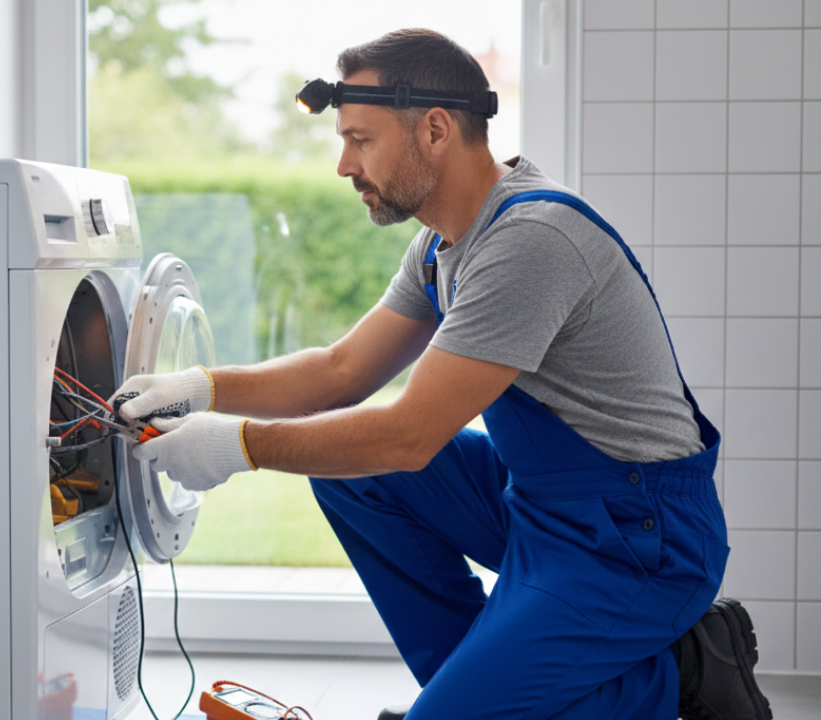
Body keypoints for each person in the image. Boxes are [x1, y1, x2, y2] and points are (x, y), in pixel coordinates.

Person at [111, 29, 772, 720]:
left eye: (360, 140)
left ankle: (689, 671)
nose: (343, 165)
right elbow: (341, 370)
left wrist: (238, 447)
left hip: (638, 536)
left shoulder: (530, 240)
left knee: (376, 459)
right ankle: (474, 688)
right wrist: (200, 387)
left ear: (433, 130)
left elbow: (407, 437)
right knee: (354, 479)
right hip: (544, 505)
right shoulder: (441, 245)